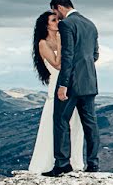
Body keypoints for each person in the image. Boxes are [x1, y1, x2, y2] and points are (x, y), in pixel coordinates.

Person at [45, 0, 100, 176]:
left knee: (60, 120)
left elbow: (67, 56)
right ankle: (93, 164)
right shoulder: (90, 24)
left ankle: (62, 164)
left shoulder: (67, 24)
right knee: (90, 124)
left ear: (59, 7)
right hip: (89, 81)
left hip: (72, 83)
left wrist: (63, 84)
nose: (56, 15)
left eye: (54, 11)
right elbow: (95, 55)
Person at [28, 11, 85, 173]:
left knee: (75, 124)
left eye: (58, 19)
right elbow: (58, 65)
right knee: (54, 126)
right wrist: (60, 44)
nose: (58, 22)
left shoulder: (63, 38)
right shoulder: (42, 44)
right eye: (54, 20)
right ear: (46, 25)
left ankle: (75, 162)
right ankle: (48, 163)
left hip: (71, 87)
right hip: (57, 87)